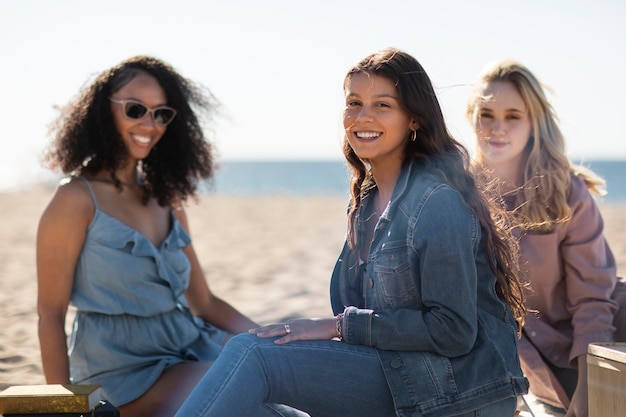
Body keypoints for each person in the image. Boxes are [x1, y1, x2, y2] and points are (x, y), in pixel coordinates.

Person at [173, 48, 529, 417]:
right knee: (244, 388)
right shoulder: (366, 202)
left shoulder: (436, 202)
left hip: (455, 395)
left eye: (382, 105)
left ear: (414, 120)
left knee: (253, 356)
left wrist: (338, 326)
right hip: (400, 378)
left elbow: (452, 329)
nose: (363, 117)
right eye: (354, 103)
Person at [36, 56, 306, 417]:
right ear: (102, 112)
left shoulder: (166, 197)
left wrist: (277, 337)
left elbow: (205, 303)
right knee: (250, 387)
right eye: (135, 109)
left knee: (285, 378)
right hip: (124, 374)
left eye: (161, 114)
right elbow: (49, 314)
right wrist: (65, 407)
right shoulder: (75, 199)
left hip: (188, 347)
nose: (150, 124)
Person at [466, 59, 626, 417]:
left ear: (533, 123)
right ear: (471, 117)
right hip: (530, 370)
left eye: (513, 116)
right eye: (486, 114)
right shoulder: (457, 195)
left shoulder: (568, 193)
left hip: (597, 350)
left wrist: (589, 389)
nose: (497, 128)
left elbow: (593, 299)